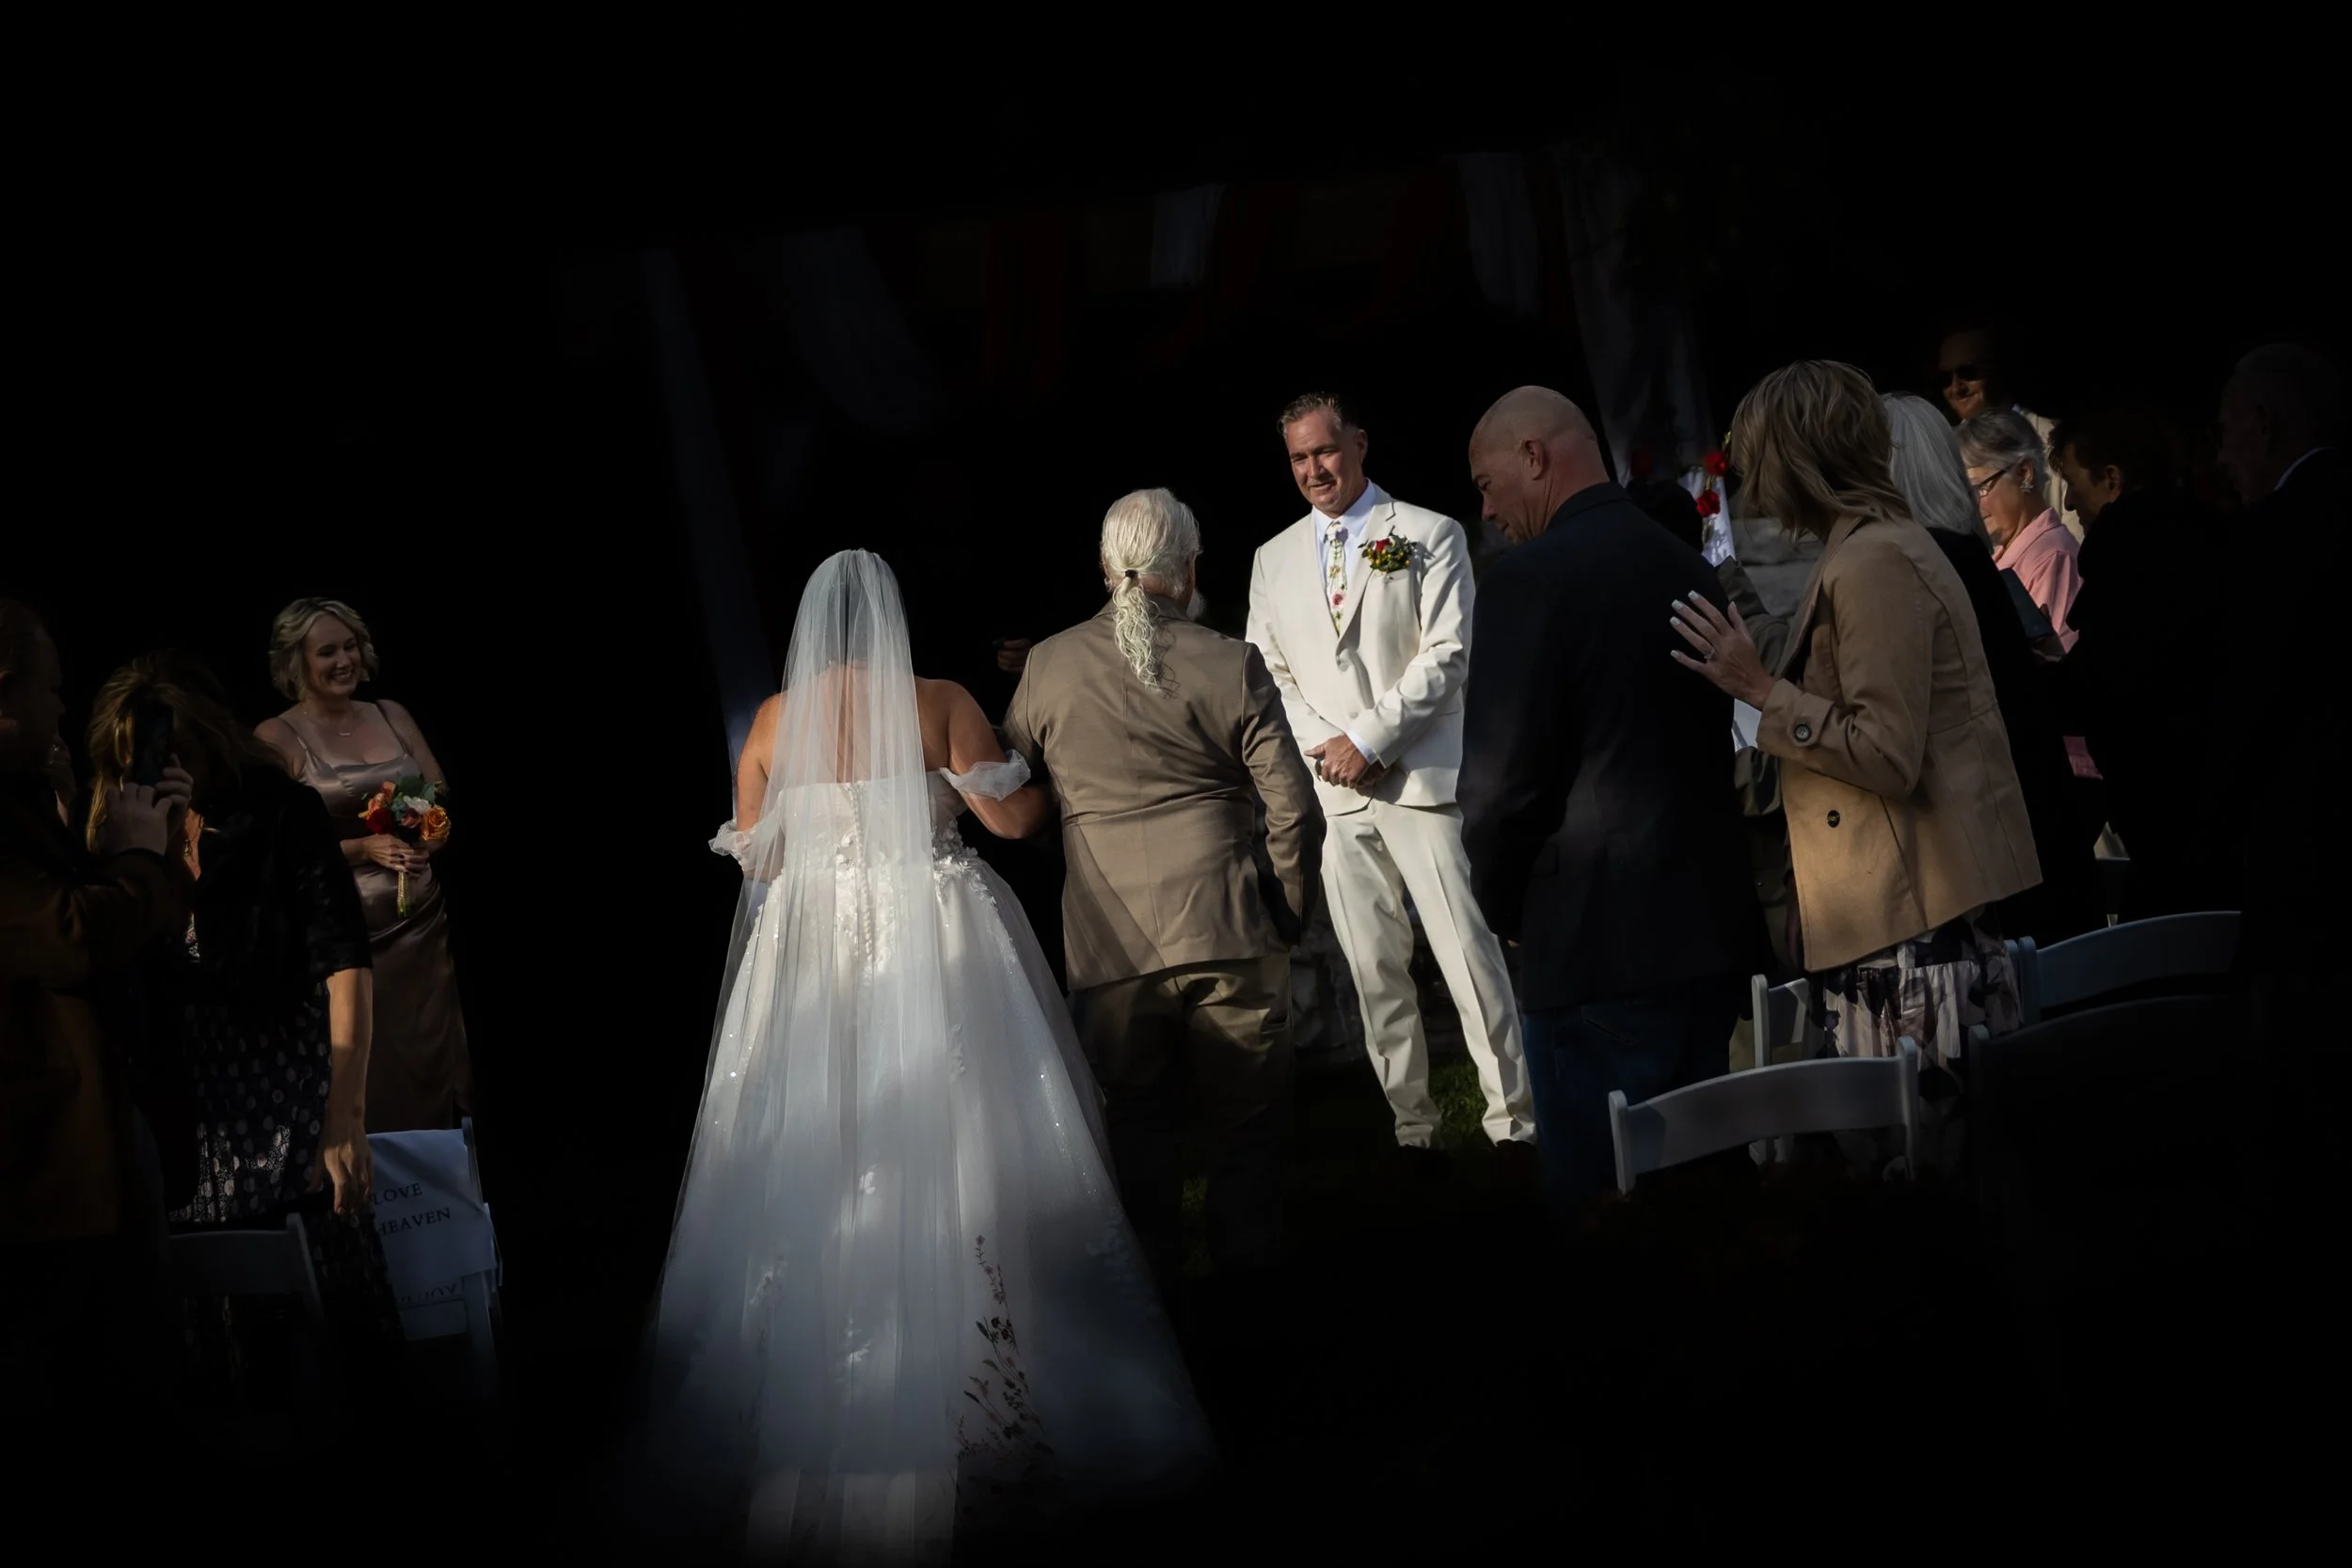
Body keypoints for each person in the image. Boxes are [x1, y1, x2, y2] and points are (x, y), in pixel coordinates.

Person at [638, 550, 1214, 1560]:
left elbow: (760, 859)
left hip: (815, 960)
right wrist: (1040, 783)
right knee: (971, 1137)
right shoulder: (939, 699)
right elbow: (1008, 817)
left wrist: (831, 848)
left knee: (830, 1151)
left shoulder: (773, 721)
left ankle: (821, 1398)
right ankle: (993, 1390)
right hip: (932, 936)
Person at [1670, 363, 2041, 1158]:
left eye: (1759, 459)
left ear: (1798, 458)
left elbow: (1885, 750)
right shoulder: (1870, 547)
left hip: (1911, 939)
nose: (1753, 483)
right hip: (1896, 920)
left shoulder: (1874, 561)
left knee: (1925, 1181)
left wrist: (1761, 691)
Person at [1006, 488, 1322, 1291]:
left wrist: (1055, 837)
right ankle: (1253, 1291)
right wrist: (1287, 908)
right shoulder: (1230, 660)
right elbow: (1295, 809)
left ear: (1105, 566)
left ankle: (1158, 1298)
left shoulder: (1048, 665)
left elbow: (1010, 787)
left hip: (1108, 942)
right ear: (1187, 569)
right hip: (1228, 927)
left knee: (1135, 1126)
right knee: (1248, 1130)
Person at [1457, 388, 1761, 1219]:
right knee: (1709, 1212)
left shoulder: (1525, 581)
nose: (1486, 510)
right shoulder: (1686, 563)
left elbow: (1499, 786)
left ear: (1534, 456)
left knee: (1604, 1222)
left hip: (1592, 946)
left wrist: (1503, 906)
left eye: (1486, 484)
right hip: (1706, 933)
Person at [86, 655, 402, 1394]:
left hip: (288, 1101)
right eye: (143, 757)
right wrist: (144, 850)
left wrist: (346, 1116)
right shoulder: (126, 839)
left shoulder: (277, 810)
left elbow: (343, 958)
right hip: (192, 1128)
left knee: (335, 1325)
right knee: (227, 1343)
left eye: (178, 750)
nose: (166, 768)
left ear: (209, 739)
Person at [1245, 392, 1534, 1169]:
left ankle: (1514, 1119)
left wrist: (1369, 740)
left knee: (1468, 955)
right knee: (1373, 967)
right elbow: (1268, 672)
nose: (1314, 469)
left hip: (1421, 779)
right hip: (1335, 792)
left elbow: (1448, 652)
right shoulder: (1272, 559)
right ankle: (1413, 1128)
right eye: (1299, 457)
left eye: (1324, 451)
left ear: (1359, 444)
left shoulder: (1428, 533)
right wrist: (1329, 748)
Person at [2, 600, 193, 1437]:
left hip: (92, 1137)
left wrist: (138, 844)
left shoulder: (24, 798)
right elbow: (73, 938)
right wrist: (136, 857)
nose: (60, 707)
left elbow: (117, 930)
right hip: (40, 1167)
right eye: (49, 688)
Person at [1883, 393, 2102, 943]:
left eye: (1980, 487)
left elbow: (2062, 671)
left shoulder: (2049, 555)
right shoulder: (1992, 557)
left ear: (2024, 474)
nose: (1976, 503)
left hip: (2065, 773)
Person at [256, 598, 471, 1132]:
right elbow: (268, 846)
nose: (343, 661)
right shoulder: (276, 737)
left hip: (421, 928)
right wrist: (362, 849)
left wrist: (426, 838)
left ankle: (438, 1172)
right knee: (366, 1072)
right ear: (296, 662)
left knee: (429, 1063)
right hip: (344, 935)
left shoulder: (391, 713)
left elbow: (439, 796)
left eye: (349, 646)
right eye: (327, 651)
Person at [2048, 404, 2237, 918]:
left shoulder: (2128, 550)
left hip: (2167, 820)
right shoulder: (2213, 534)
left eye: (2073, 482)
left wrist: (2038, 679)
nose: (2068, 501)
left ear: (2112, 480)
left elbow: (2103, 684)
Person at [1961, 408, 2086, 655]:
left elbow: (2055, 663)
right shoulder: (2005, 553)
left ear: (2024, 473)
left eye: (1978, 489)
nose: (1971, 505)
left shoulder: (2053, 558)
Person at [1935, 323, 2079, 538]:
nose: (1956, 387)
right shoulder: (1943, 451)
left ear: (1996, 370)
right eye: (1945, 379)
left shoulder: (2053, 438)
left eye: (1968, 372)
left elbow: (2075, 538)